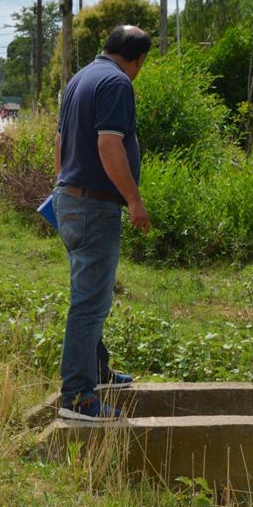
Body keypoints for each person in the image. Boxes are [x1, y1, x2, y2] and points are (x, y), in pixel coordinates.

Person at [53, 25, 152, 421]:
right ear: (139, 59)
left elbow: (60, 142)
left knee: (88, 294)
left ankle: (96, 371)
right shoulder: (117, 83)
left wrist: (63, 187)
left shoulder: (80, 79)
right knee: (90, 304)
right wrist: (134, 199)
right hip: (94, 208)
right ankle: (78, 397)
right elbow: (109, 145)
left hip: (71, 200)